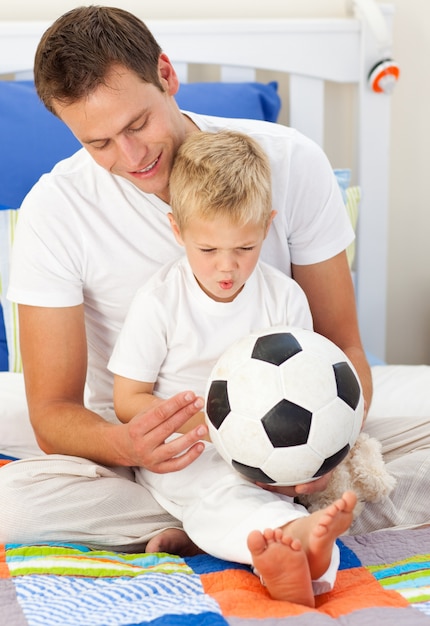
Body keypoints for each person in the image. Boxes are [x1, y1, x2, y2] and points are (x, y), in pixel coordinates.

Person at [0, 5, 427, 554]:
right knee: (13, 508)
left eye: (137, 124)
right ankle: (261, 521)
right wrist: (129, 445)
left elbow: (342, 345)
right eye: (98, 143)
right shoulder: (55, 210)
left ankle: (222, 523)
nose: (130, 157)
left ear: (167, 75)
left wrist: (323, 450)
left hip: (295, 434)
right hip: (155, 456)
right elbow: (54, 413)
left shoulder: (290, 163)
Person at [107, 128, 357, 606]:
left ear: (266, 226)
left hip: (268, 446)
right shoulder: (160, 302)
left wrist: (314, 456)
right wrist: (211, 425)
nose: (227, 268)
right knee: (217, 493)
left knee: (277, 486)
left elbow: (311, 385)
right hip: (189, 450)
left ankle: (259, 540)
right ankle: (298, 545)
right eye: (207, 250)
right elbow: (126, 400)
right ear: (178, 231)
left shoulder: (284, 296)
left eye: (244, 248)